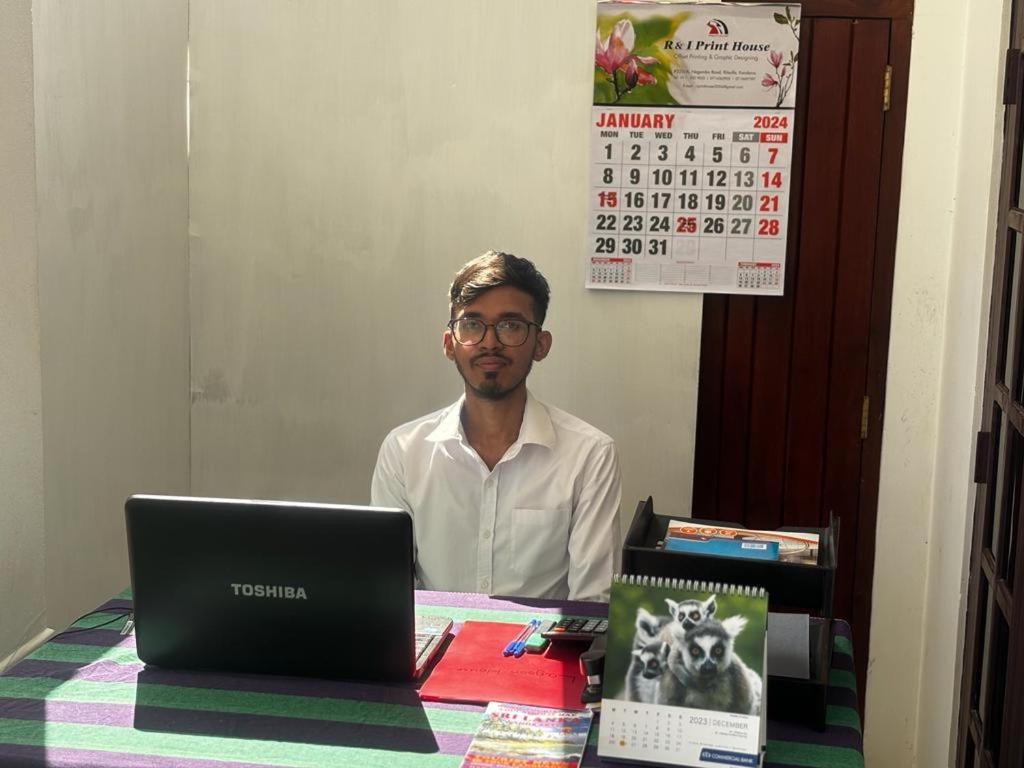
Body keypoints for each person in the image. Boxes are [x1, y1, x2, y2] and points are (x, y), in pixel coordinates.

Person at [371, 251, 622, 602]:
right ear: (450, 344)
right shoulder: (403, 451)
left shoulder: (589, 455)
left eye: (510, 326)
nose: (490, 342)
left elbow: (594, 602)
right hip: (435, 638)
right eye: (472, 324)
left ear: (541, 345)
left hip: (545, 639)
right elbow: (387, 591)